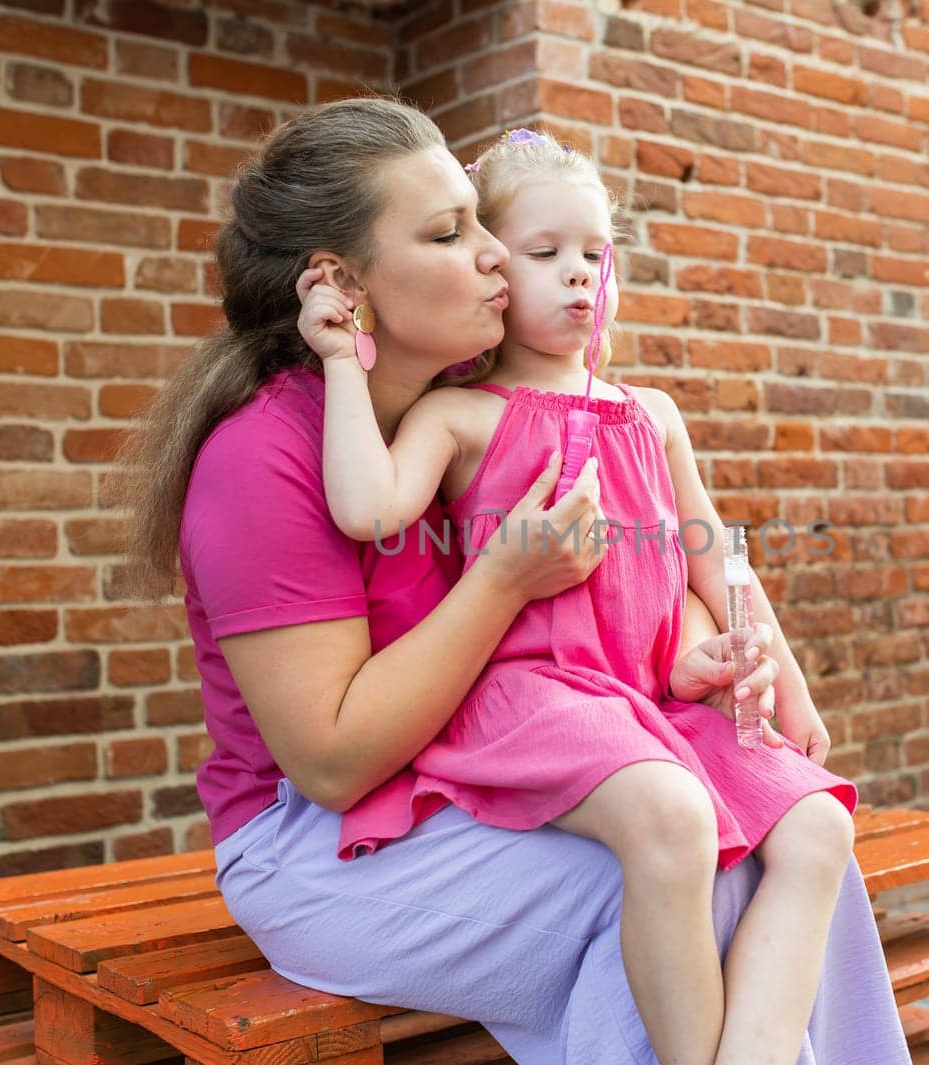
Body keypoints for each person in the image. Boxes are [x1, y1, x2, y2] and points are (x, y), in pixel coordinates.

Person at [119, 96, 912, 1065]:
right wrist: (500, 581)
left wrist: (709, 641)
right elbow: (330, 760)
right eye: (454, 233)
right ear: (341, 285)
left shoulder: (470, 410)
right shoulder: (263, 461)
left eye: (489, 229)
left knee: (770, 826)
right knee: (675, 861)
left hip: (459, 783)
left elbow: (652, 555)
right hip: (316, 846)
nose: (495, 255)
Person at [298, 127, 863, 1065]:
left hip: (651, 704)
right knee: (672, 817)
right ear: (494, 270)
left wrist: (786, 681)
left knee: (818, 823)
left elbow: (713, 555)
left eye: (595, 255)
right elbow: (365, 507)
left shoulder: (653, 414)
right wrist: (338, 364)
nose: (577, 276)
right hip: (537, 699)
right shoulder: (460, 416)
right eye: (545, 253)